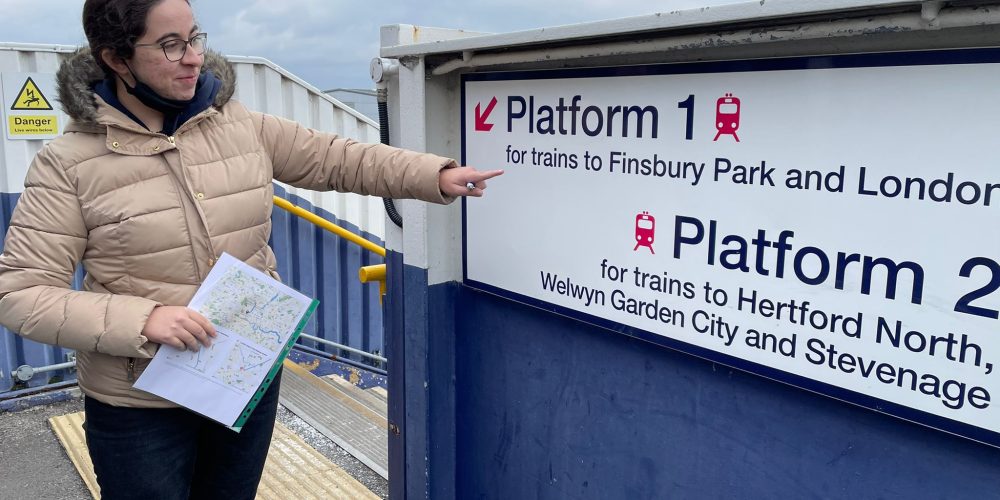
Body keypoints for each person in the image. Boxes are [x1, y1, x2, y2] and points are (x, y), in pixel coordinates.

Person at [0, 0, 502, 498]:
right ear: (116, 58)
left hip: (243, 375)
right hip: (138, 404)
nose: (194, 57)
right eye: (170, 45)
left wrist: (431, 174)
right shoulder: (67, 164)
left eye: (195, 37)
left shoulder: (236, 123)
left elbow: (335, 158)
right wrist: (143, 319)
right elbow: (20, 294)